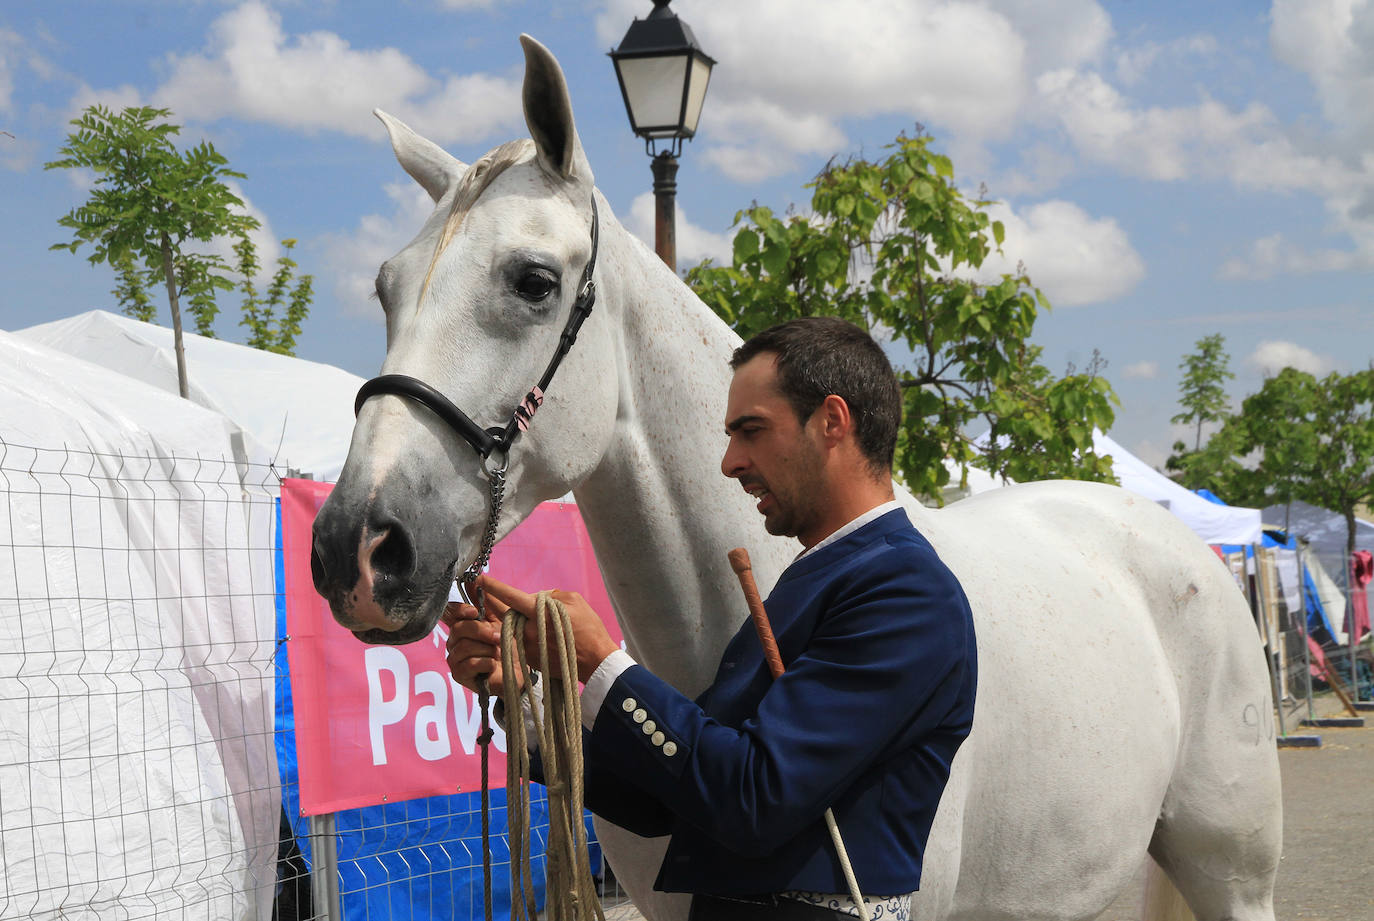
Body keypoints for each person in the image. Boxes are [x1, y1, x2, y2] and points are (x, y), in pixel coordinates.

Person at [445, 317, 977, 920]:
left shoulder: (905, 590)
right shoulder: (820, 578)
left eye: (750, 431)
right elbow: (669, 799)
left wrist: (600, 663)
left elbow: (754, 798)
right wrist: (534, 695)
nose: (730, 462)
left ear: (833, 422)